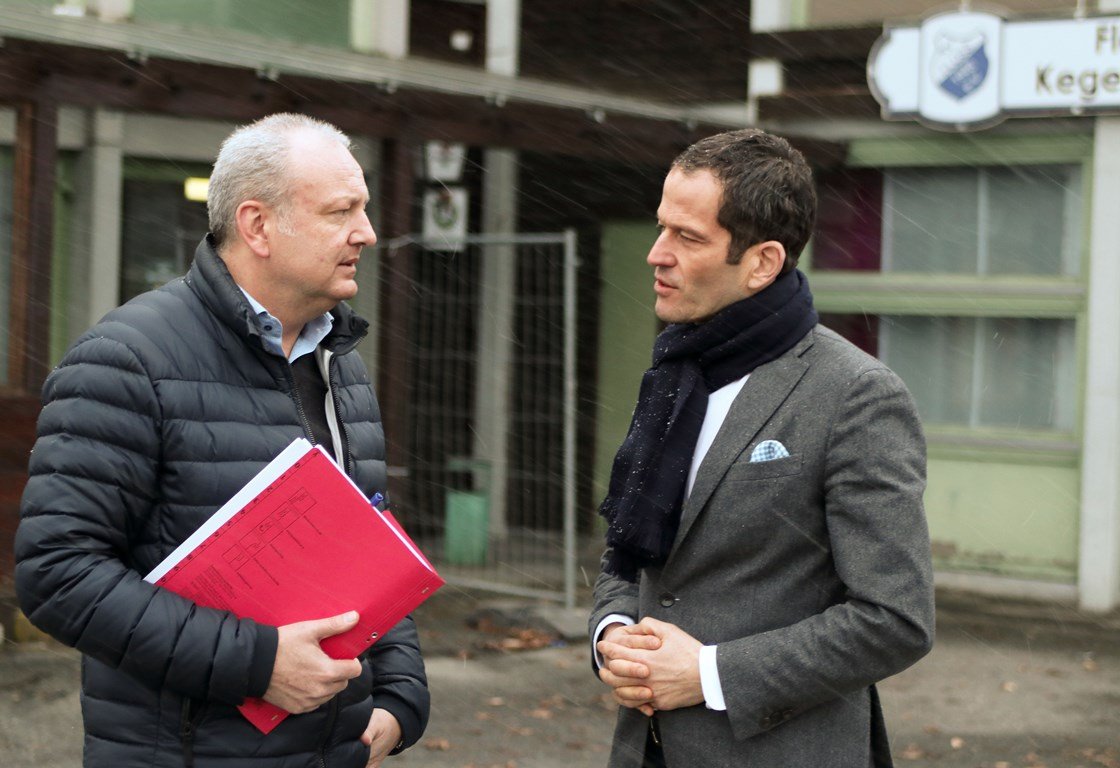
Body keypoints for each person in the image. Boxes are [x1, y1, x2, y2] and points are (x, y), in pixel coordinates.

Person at [15, 113, 429, 768]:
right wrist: (256, 663)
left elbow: (366, 546)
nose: (367, 233)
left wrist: (400, 693)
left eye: (364, 209)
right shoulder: (126, 358)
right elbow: (57, 575)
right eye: (340, 211)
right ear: (257, 225)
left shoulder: (339, 364)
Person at [590, 128, 935, 767]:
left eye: (688, 237)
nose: (656, 254)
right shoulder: (675, 373)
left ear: (762, 263)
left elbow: (895, 619)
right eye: (661, 227)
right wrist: (614, 637)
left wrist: (709, 672)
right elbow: (630, 555)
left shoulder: (857, 395)